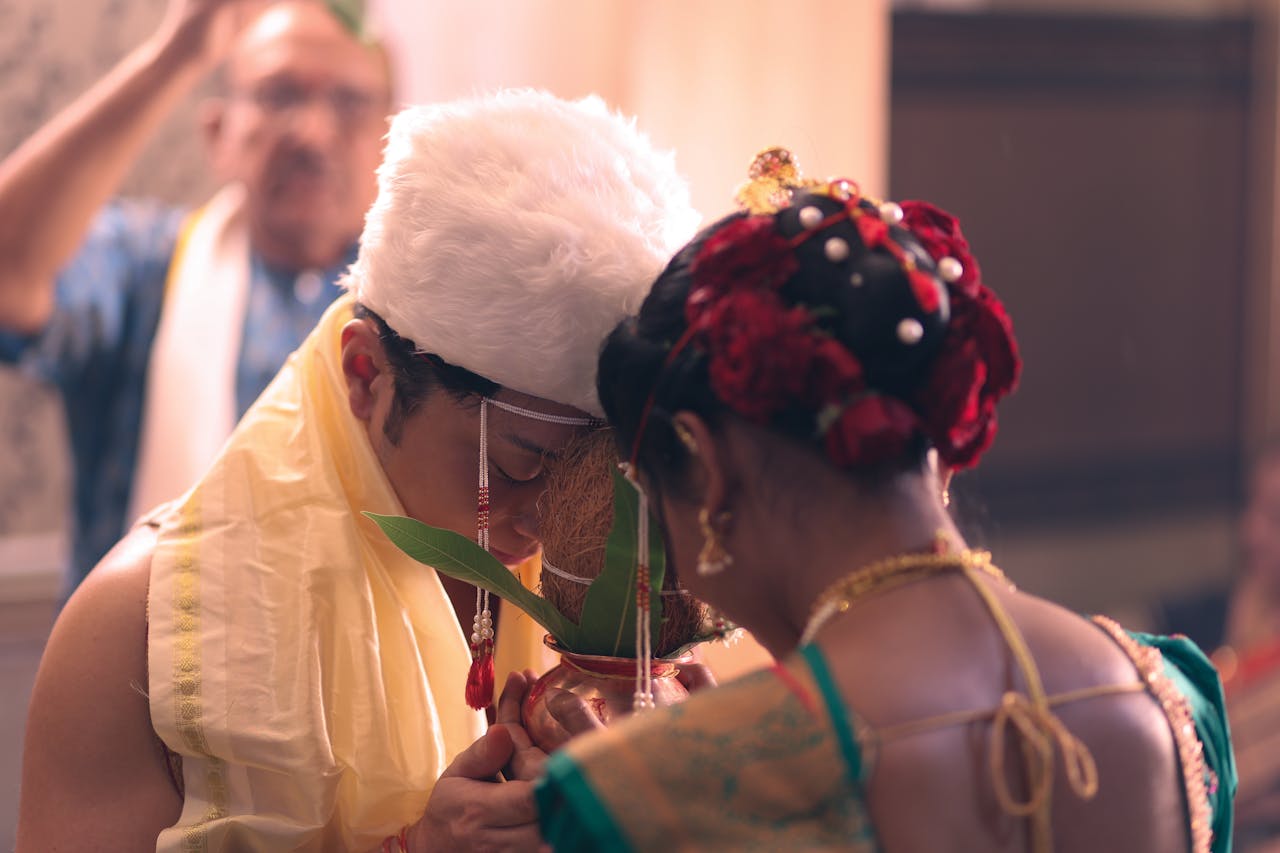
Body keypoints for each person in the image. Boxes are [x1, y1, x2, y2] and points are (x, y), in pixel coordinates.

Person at [16, 90, 699, 851]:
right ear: (367, 372)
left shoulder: (599, 590)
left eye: (588, 473)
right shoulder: (132, 623)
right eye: (517, 461)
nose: (553, 519)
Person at [535, 149, 1236, 852]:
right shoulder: (1170, 697)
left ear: (709, 467)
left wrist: (656, 777)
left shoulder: (648, 795)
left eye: (654, 501)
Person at [0, 0, 392, 593]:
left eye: (350, 103)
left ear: (394, 136)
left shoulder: (420, 315)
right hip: (131, 675)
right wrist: (173, 57)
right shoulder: (146, 267)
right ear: (218, 133)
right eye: (279, 95)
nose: (312, 132)